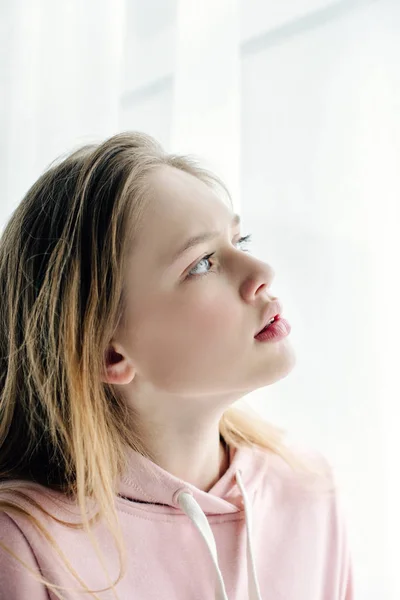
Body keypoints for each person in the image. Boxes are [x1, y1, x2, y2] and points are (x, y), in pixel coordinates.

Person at [0, 131, 353, 599]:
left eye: (238, 238)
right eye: (203, 263)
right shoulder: (26, 545)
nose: (261, 272)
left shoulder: (308, 490)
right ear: (110, 354)